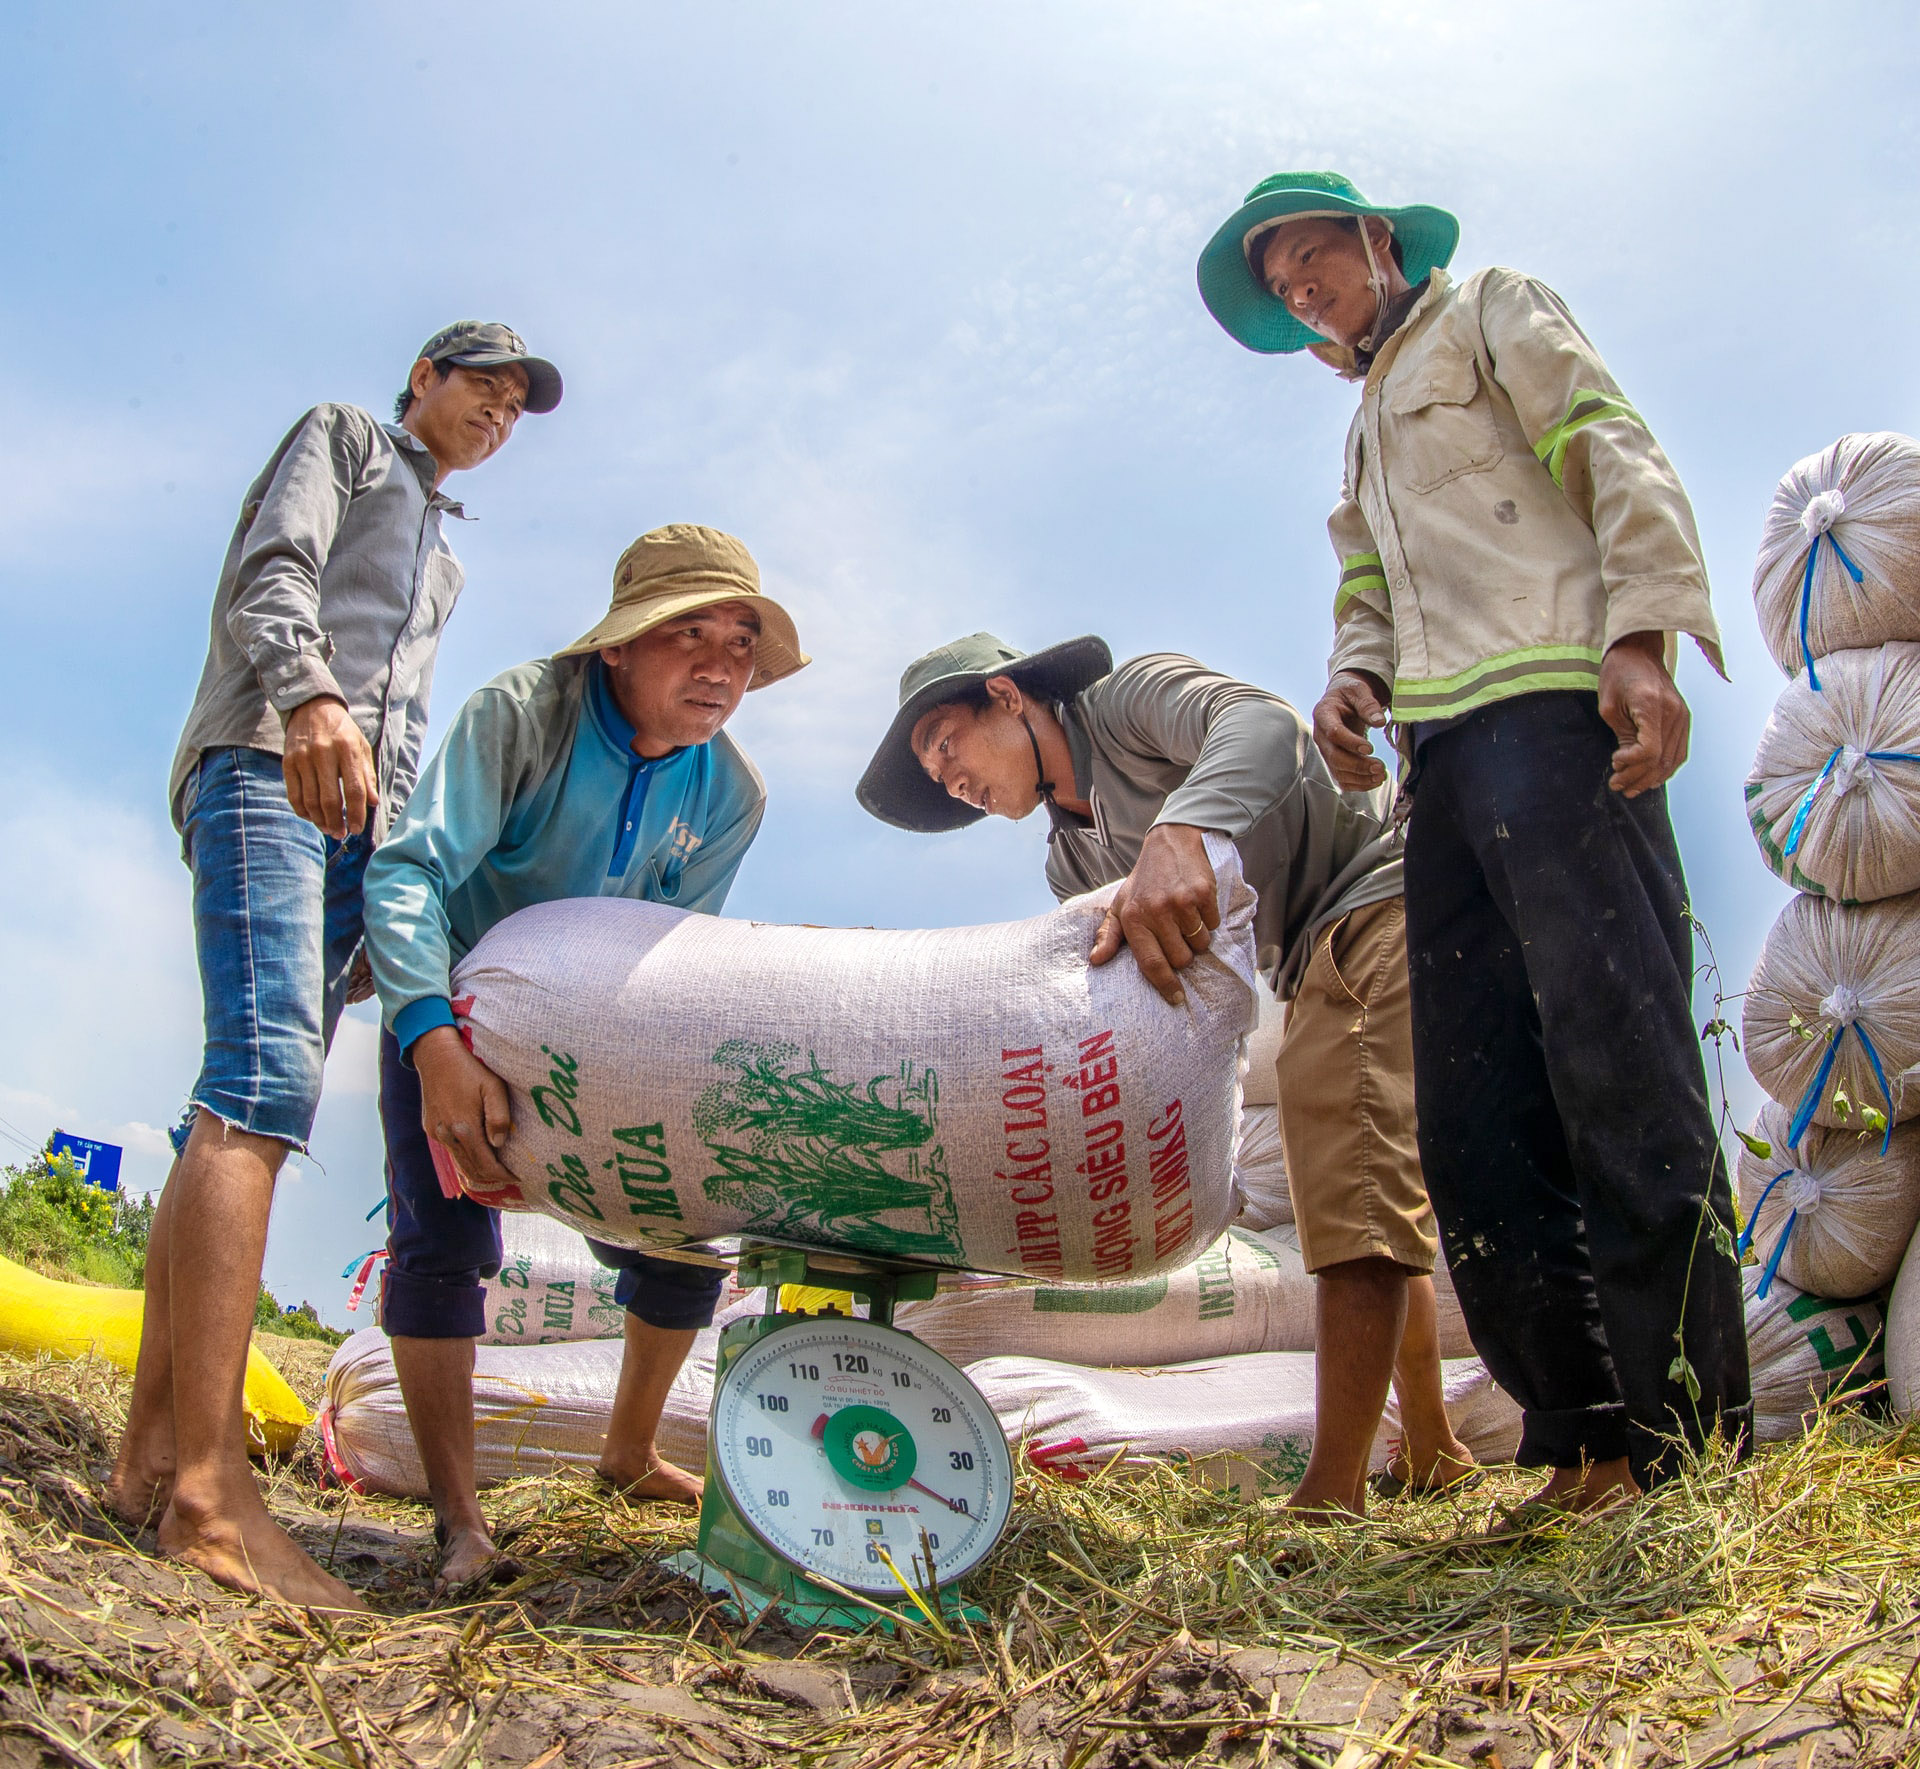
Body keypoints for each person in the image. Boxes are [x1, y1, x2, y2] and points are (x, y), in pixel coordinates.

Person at [1197, 170, 1750, 1513]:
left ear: (1379, 241)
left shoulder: (1493, 309)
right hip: (1437, 771)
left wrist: (1641, 638)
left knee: (1617, 1064)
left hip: (1555, 713)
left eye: (1316, 256)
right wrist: (1351, 683)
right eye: (1283, 286)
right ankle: (1579, 1441)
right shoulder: (1362, 431)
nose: (1304, 289)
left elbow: (1607, 443)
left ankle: (1689, 1446)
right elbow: (1369, 582)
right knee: (1474, 1114)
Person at [108, 322, 562, 1607]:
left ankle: (150, 1450)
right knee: (256, 1084)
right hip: (266, 755)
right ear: (424, 376)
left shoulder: (449, 562)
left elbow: (404, 717)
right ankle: (209, 1493)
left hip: (353, 820)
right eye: (485, 384)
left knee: (244, 1097)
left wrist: (386, 880)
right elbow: (272, 574)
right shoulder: (346, 439)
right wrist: (308, 699)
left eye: (519, 404)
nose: (500, 412)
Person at [857, 634, 1477, 1517]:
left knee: (1351, 1183)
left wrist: (1183, 827)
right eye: (935, 774)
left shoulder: (1129, 700)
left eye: (947, 742)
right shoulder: (1071, 861)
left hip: (1374, 891)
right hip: (1304, 956)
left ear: (1007, 695)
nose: (948, 776)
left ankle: (1332, 1494)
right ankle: (1430, 1446)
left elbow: (1265, 726)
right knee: (1357, 1185)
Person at [361, 524, 808, 1590]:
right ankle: (460, 1519)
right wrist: (430, 1039)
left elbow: (668, 957)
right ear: (616, 645)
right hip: (454, 1009)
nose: (718, 666)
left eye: (740, 643)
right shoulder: (525, 716)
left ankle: (626, 1451)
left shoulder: (730, 796)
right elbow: (409, 874)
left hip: (602, 1031)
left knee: (687, 1230)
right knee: (443, 1243)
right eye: (685, 633)